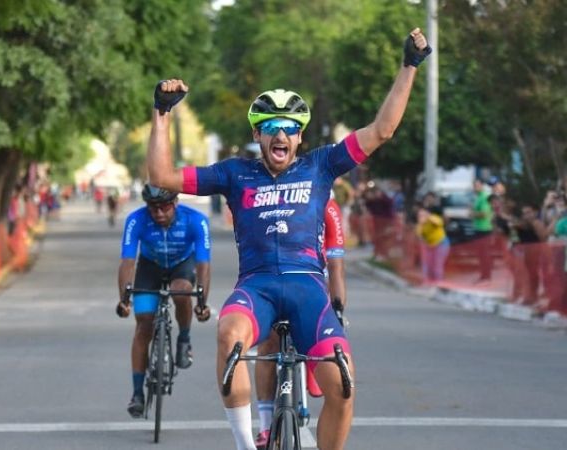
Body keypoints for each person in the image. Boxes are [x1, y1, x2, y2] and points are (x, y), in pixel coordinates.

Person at [146, 28, 430, 450]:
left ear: (300, 136)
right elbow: (162, 177)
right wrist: (162, 114)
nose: (280, 135)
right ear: (258, 135)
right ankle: (247, 444)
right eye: (270, 127)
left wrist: (409, 66)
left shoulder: (322, 165)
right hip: (256, 286)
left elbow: (382, 131)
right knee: (228, 337)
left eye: (290, 127)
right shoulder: (233, 173)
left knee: (344, 384)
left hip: (307, 288)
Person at [253, 193, 347, 448]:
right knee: (269, 345)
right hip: (280, 273)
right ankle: (264, 425)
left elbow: (336, 267)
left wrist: (338, 309)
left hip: (317, 278)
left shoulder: (329, 208)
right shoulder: (280, 202)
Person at [115, 184, 212, 418]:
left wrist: (201, 302)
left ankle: (184, 340)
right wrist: (124, 300)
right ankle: (137, 394)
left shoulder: (196, 220)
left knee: (181, 291)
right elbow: (128, 262)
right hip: (150, 266)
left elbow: (203, 265)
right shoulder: (136, 220)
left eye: (165, 207)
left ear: (176, 202)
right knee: (143, 325)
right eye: (153, 208)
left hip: (182, 264)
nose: (159, 213)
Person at [416, 205, 450, 284]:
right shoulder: (420, 226)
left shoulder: (434, 218)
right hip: (430, 246)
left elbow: (439, 222)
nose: (421, 217)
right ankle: (428, 282)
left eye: (423, 215)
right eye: (419, 215)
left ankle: (438, 284)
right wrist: (422, 224)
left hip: (442, 244)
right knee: (427, 265)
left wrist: (428, 217)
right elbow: (420, 235)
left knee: (437, 266)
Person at [471, 178, 494, 282]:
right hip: (478, 228)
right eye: (474, 185)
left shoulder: (484, 197)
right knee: (480, 254)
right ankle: (483, 275)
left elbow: (484, 214)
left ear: (482, 186)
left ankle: (486, 276)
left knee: (484, 253)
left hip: (485, 229)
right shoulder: (478, 197)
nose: (475, 187)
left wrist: (472, 214)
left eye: (477, 185)